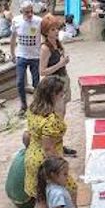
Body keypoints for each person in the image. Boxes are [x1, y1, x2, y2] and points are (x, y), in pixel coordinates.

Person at [24, 76, 81, 208]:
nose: (64, 95)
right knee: (70, 191)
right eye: (61, 93)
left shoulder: (33, 109)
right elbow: (49, 149)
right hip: (47, 161)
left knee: (41, 200)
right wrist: (61, 168)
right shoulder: (51, 120)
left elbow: (28, 135)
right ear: (53, 95)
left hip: (32, 157)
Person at [38, 15, 76, 158]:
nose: (55, 31)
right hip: (53, 84)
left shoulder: (57, 43)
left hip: (63, 80)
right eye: (52, 29)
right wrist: (60, 64)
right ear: (46, 32)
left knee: (62, 115)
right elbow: (42, 71)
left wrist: (64, 62)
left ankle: (59, 144)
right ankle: (53, 147)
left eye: (56, 28)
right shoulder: (45, 48)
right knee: (55, 117)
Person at [12, 0, 42, 114]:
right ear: (21, 12)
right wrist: (12, 53)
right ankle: (23, 105)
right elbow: (13, 37)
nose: (29, 14)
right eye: (26, 12)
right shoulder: (16, 21)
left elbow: (44, 36)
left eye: (31, 11)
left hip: (35, 56)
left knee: (36, 83)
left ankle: (38, 104)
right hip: (21, 55)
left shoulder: (39, 21)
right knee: (19, 82)